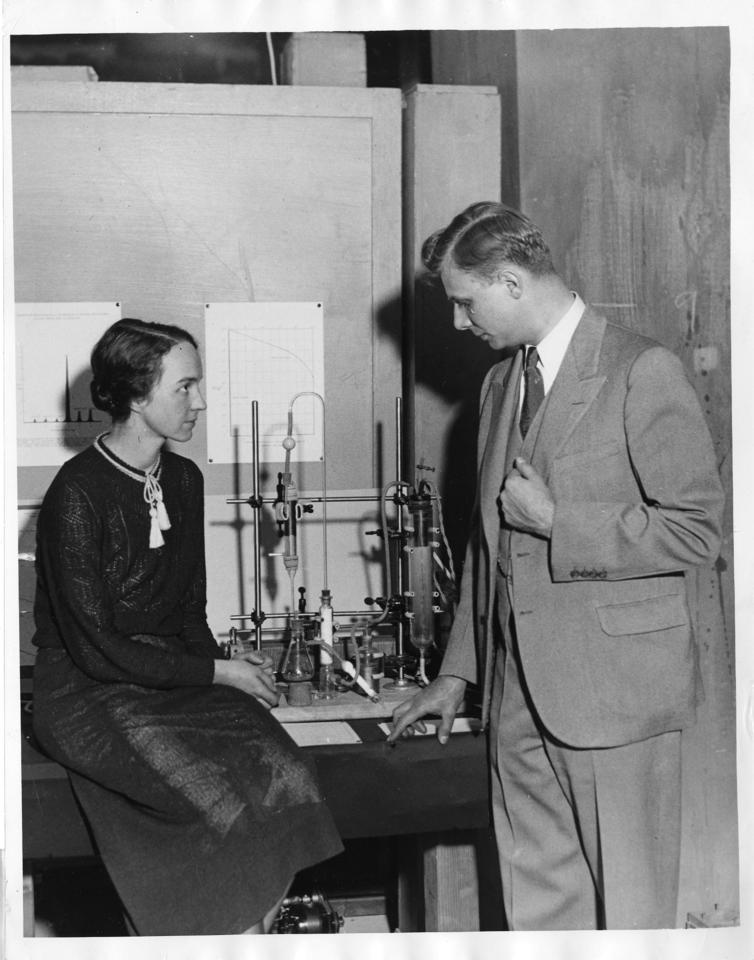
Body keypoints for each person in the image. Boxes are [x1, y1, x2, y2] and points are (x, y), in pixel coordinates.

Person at [390, 202, 724, 930]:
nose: (456, 323)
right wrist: (457, 674)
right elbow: (488, 544)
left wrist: (560, 522)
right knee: (537, 916)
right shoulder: (498, 385)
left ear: (510, 282)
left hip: (617, 704)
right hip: (517, 702)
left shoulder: (643, 369)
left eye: (463, 302)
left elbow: (698, 533)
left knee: (633, 918)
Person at [31, 318, 342, 936]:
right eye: (186, 387)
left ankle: (252, 934)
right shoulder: (76, 494)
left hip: (172, 676)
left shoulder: (182, 479)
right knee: (218, 805)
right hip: (86, 693)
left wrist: (225, 672)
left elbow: (190, 609)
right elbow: (97, 650)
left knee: (287, 774)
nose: (200, 402)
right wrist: (216, 670)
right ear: (137, 395)